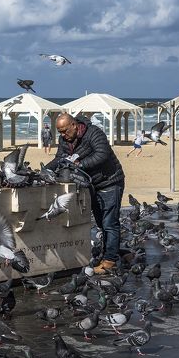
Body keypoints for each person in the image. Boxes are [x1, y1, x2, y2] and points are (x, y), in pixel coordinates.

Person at [45, 113, 125, 275]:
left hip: (110, 181)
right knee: (101, 224)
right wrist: (46, 170)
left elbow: (102, 154)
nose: (62, 135)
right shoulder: (64, 140)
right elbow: (60, 158)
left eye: (65, 131)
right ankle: (112, 253)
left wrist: (79, 164)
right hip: (92, 185)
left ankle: (110, 261)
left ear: (74, 125)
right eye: (59, 132)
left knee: (110, 223)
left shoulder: (94, 133)